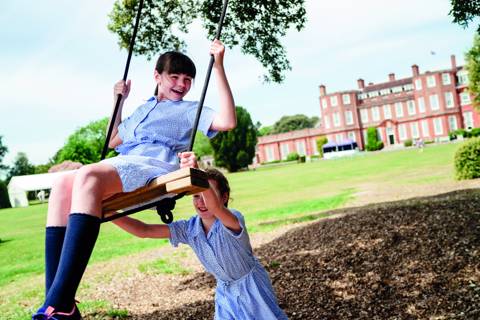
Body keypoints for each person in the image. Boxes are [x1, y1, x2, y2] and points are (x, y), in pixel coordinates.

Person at [33, 39, 236, 320]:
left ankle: (60, 303)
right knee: (62, 183)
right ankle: (54, 302)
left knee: (88, 174)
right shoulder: (142, 110)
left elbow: (227, 121)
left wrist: (220, 66)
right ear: (157, 76)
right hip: (124, 161)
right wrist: (119, 102)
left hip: (153, 167)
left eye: (187, 79)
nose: (181, 84)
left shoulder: (189, 109)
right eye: (174, 76)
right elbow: (114, 139)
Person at [113, 156, 288, 320]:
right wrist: (109, 213)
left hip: (252, 287)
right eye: (196, 196)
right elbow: (144, 230)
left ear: (225, 197)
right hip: (225, 291)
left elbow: (215, 206)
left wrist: (196, 174)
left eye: (204, 194)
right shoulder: (189, 229)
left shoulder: (232, 218)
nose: (200, 202)